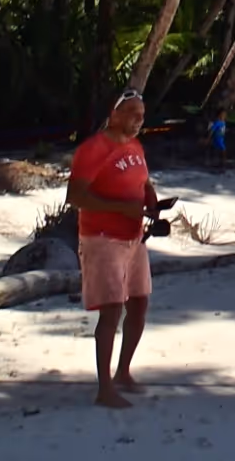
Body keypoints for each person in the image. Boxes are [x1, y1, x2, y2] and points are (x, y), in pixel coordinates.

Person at [67, 90, 158, 409]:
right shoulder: (94, 148)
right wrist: (121, 208)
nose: (138, 120)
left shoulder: (134, 144)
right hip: (103, 238)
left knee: (140, 303)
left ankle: (123, 372)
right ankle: (104, 388)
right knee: (112, 311)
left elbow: (143, 180)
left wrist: (152, 200)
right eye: (132, 113)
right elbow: (76, 196)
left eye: (142, 115)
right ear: (115, 113)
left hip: (134, 237)